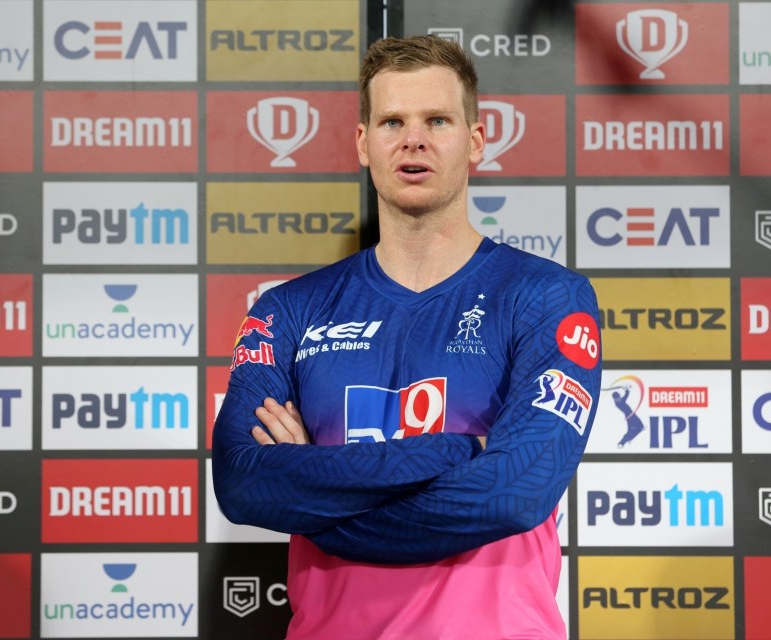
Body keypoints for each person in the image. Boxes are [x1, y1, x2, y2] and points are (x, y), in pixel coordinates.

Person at [212, 34, 602, 639]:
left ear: (475, 140)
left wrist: (312, 484)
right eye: (392, 121)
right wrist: (459, 451)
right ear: (363, 143)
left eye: (437, 120)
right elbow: (243, 483)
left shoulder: (547, 296)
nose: (413, 139)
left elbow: (515, 493)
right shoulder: (286, 310)